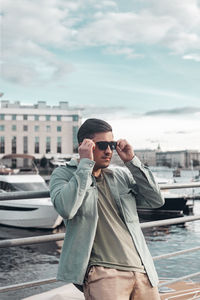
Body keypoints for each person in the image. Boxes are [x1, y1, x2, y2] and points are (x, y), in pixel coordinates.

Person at [49, 118, 164, 300]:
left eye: (111, 144)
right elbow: (66, 208)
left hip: (142, 270)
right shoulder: (64, 175)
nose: (109, 151)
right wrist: (85, 164)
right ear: (84, 146)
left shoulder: (119, 175)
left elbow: (156, 200)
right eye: (102, 145)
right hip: (104, 273)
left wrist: (132, 161)